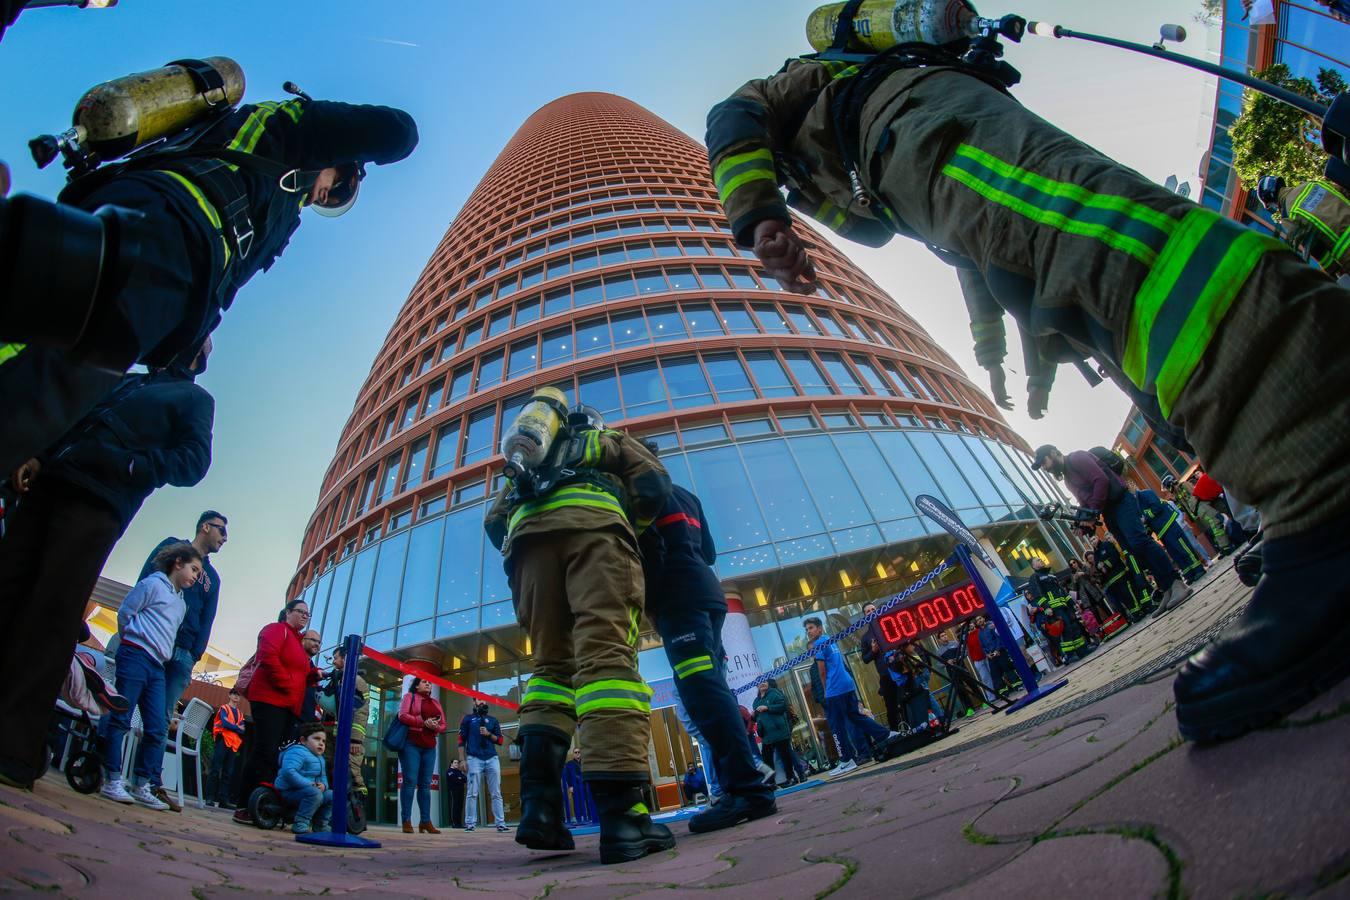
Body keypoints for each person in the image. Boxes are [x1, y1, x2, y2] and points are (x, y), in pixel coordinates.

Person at [706, 19, 1350, 743]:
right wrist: (992, 352)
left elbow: (731, 115)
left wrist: (756, 215)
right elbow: (975, 255)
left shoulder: (822, 85)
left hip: (923, 135)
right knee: (1076, 275)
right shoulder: (887, 135)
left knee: (1104, 253)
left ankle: (1324, 482)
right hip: (923, 157)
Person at [0, 91, 419, 478]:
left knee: (43, 348)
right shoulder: (302, 130)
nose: (326, 197)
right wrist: (350, 147)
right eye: (340, 185)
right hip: (168, 244)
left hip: (135, 215)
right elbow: (399, 132)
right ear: (338, 157)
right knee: (43, 374)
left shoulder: (255, 149)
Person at [0, 341, 212, 790]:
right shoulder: (128, 381)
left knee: (52, 611)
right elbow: (77, 418)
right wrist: (38, 453)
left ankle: (14, 746)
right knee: (9, 586)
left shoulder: (194, 399)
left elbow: (193, 462)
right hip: (51, 480)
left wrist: (134, 465)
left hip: (100, 500)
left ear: (194, 356)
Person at [484, 395, 673, 864]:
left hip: (528, 552)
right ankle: (624, 819)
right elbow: (653, 483)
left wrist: (529, 545)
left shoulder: (531, 455)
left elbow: (493, 522)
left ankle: (540, 813)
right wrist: (626, 522)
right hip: (597, 539)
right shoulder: (605, 442)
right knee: (607, 664)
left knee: (549, 670)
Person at [636, 473, 775, 832]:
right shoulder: (687, 495)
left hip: (679, 601)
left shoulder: (642, 492)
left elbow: (647, 553)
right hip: (707, 595)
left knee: (703, 695)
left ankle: (747, 790)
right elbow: (709, 552)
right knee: (706, 691)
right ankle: (741, 787)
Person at [99, 542, 202, 809]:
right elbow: (126, 613)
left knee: (157, 727)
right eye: (193, 569)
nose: (195, 576)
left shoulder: (181, 604)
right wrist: (131, 641)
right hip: (135, 655)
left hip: (158, 665)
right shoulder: (153, 584)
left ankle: (141, 784)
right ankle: (111, 778)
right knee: (121, 717)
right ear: (178, 562)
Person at [1033, 447, 1190, 619]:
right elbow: (1084, 502)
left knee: (1139, 541)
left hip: (1121, 501)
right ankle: (1167, 588)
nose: (1044, 468)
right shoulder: (1068, 480)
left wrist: (1092, 511)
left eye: (1044, 462)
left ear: (1054, 453)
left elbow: (1101, 480)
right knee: (1133, 549)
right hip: (1109, 511)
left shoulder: (1077, 458)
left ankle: (1176, 583)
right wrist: (1083, 524)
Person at [232, 599, 316, 825]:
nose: (304, 616)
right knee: (264, 751)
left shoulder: (298, 643)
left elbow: (300, 672)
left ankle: (265, 801)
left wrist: (313, 675)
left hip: (288, 705)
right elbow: (267, 657)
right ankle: (244, 804)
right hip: (269, 699)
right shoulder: (277, 630)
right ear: (287, 613)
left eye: (307, 614)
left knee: (274, 754)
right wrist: (287, 683)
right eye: (300, 612)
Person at [805, 617, 897, 777]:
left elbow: (822, 671)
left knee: (835, 725)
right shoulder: (829, 640)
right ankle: (885, 734)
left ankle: (846, 760)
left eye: (811, 628)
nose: (809, 632)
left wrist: (827, 691)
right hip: (846, 685)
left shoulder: (819, 643)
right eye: (807, 630)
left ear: (820, 628)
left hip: (835, 688)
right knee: (855, 716)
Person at [398, 677, 446, 835]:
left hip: (430, 746)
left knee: (425, 784)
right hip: (411, 743)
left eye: (430, 682)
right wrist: (422, 722)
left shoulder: (436, 702)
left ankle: (425, 822)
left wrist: (436, 726)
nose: (428, 684)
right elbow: (403, 715)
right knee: (410, 781)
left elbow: (444, 724)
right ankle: (406, 820)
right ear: (416, 685)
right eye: (424, 682)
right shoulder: (409, 697)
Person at [1135, 487, 1205, 586]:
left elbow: (1156, 507)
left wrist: (1145, 518)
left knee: (1184, 548)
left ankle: (1198, 569)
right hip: (1162, 532)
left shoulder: (1146, 494)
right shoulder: (1136, 505)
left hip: (1170, 526)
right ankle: (1188, 574)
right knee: (1176, 554)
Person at [457, 699, 507, 833]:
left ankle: (500, 823)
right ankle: (470, 824)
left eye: (484, 700)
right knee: (472, 793)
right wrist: (462, 760)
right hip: (474, 758)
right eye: (479, 699)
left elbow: (501, 740)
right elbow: (461, 740)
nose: (481, 702)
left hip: (492, 758)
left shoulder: (493, 719)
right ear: (473, 702)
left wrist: (489, 734)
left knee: (496, 792)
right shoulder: (467, 719)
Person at [274, 722, 332, 836]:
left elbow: (323, 777)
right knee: (315, 794)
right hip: (288, 791)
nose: (321, 743)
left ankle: (321, 825)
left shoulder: (320, 758)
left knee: (332, 795)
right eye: (316, 739)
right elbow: (289, 772)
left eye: (323, 741)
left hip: (309, 791)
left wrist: (324, 786)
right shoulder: (297, 751)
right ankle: (301, 824)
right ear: (303, 740)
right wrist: (309, 784)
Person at [1025, 559, 1088, 662]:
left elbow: (1062, 591)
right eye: (1037, 560)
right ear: (1033, 566)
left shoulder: (1051, 575)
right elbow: (1038, 595)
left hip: (1064, 606)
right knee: (1065, 630)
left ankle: (1082, 650)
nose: (1040, 560)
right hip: (1054, 609)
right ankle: (1069, 655)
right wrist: (1046, 607)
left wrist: (1073, 603)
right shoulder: (1034, 577)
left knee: (1074, 627)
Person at [1164, 474, 1232, 556]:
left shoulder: (1184, 485)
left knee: (1215, 521)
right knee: (1212, 527)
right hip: (1197, 512)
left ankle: (1225, 546)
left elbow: (1195, 494)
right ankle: (1223, 545)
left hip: (1201, 506)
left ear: (1170, 485)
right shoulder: (1177, 494)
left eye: (1167, 488)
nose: (1168, 490)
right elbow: (1185, 507)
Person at [859, 602, 901, 731]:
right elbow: (865, 659)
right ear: (865, 616)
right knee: (891, 706)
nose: (871, 612)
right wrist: (873, 651)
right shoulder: (865, 637)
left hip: (899, 668)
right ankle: (896, 733)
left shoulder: (888, 625)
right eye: (868, 611)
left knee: (908, 698)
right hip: (885, 675)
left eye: (873, 609)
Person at [753, 679, 800, 788]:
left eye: (764, 681)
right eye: (760, 682)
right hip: (767, 735)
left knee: (785, 756)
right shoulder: (756, 701)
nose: (762, 683)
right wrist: (754, 715)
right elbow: (757, 718)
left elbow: (783, 706)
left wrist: (768, 708)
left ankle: (791, 777)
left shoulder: (774, 693)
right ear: (757, 686)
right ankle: (771, 782)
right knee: (767, 759)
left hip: (779, 731)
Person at [206, 689, 245, 808]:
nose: (236, 697)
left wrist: (233, 726)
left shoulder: (240, 713)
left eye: (238, 695)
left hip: (233, 744)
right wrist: (236, 727)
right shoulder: (224, 708)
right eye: (234, 694)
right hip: (223, 740)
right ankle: (210, 797)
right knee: (215, 769)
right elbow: (225, 723)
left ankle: (223, 800)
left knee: (228, 772)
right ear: (229, 695)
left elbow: (243, 729)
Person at [445, 758, 469, 829]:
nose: (457, 764)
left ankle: (459, 823)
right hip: (453, 791)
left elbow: (465, 779)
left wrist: (460, 778)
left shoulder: (459, 771)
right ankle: (454, 823)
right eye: (455, 763)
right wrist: (460, 778)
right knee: (455, 806)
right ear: (451, 764)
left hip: (461, 791)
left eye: (457, 763)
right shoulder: (449, 771)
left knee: (460, 806)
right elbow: (454, 779)